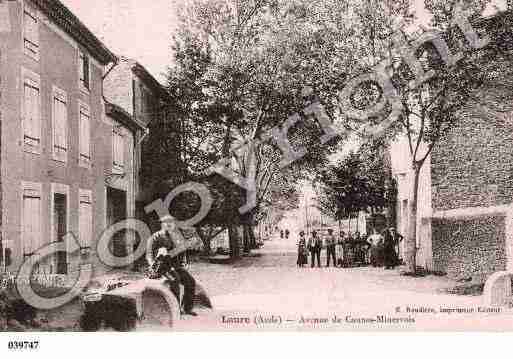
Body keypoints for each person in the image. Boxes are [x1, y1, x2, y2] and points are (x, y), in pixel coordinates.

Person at [150, 222, 198, 316]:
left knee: (191, 281)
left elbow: (182, 253)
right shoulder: (159, 237)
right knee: (175, 280)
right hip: (162, 269)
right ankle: (175, 310)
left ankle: (187, 308)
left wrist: (184, 263)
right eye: (166, 224)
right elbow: (155, 256)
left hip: (175, 267)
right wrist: (161, 254)